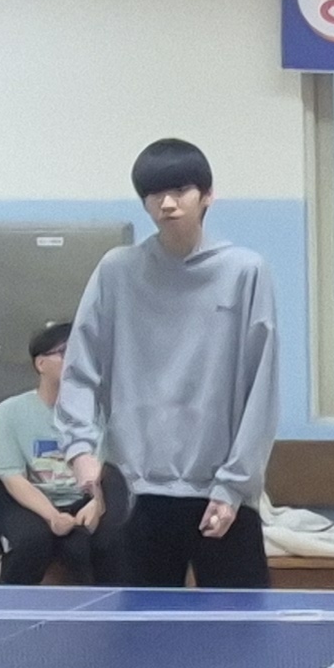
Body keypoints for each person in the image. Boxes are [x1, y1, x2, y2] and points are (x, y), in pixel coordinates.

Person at [59, 136, 279, 589]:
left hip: (220, 493)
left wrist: (234, 486)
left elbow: (262, 389)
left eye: (180, 190)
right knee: (141, 627)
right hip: (136, 493)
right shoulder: (117, 270)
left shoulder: (246, 271)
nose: (167, 203)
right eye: (154, 193)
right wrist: (80, 451)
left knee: (240, 628)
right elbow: (79, 368)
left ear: (207, 195)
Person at [0, 320, 102, 584]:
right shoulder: (9, 412)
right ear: (41, 364)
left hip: (84, 501)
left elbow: (112, 468)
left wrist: (98, 503)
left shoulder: (101, 411)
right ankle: (11, 608)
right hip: (27, 505)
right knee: (31, 542)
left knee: (95, 545)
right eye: (64, 353)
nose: (74, 361)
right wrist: (53, 516)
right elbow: (12, 477)